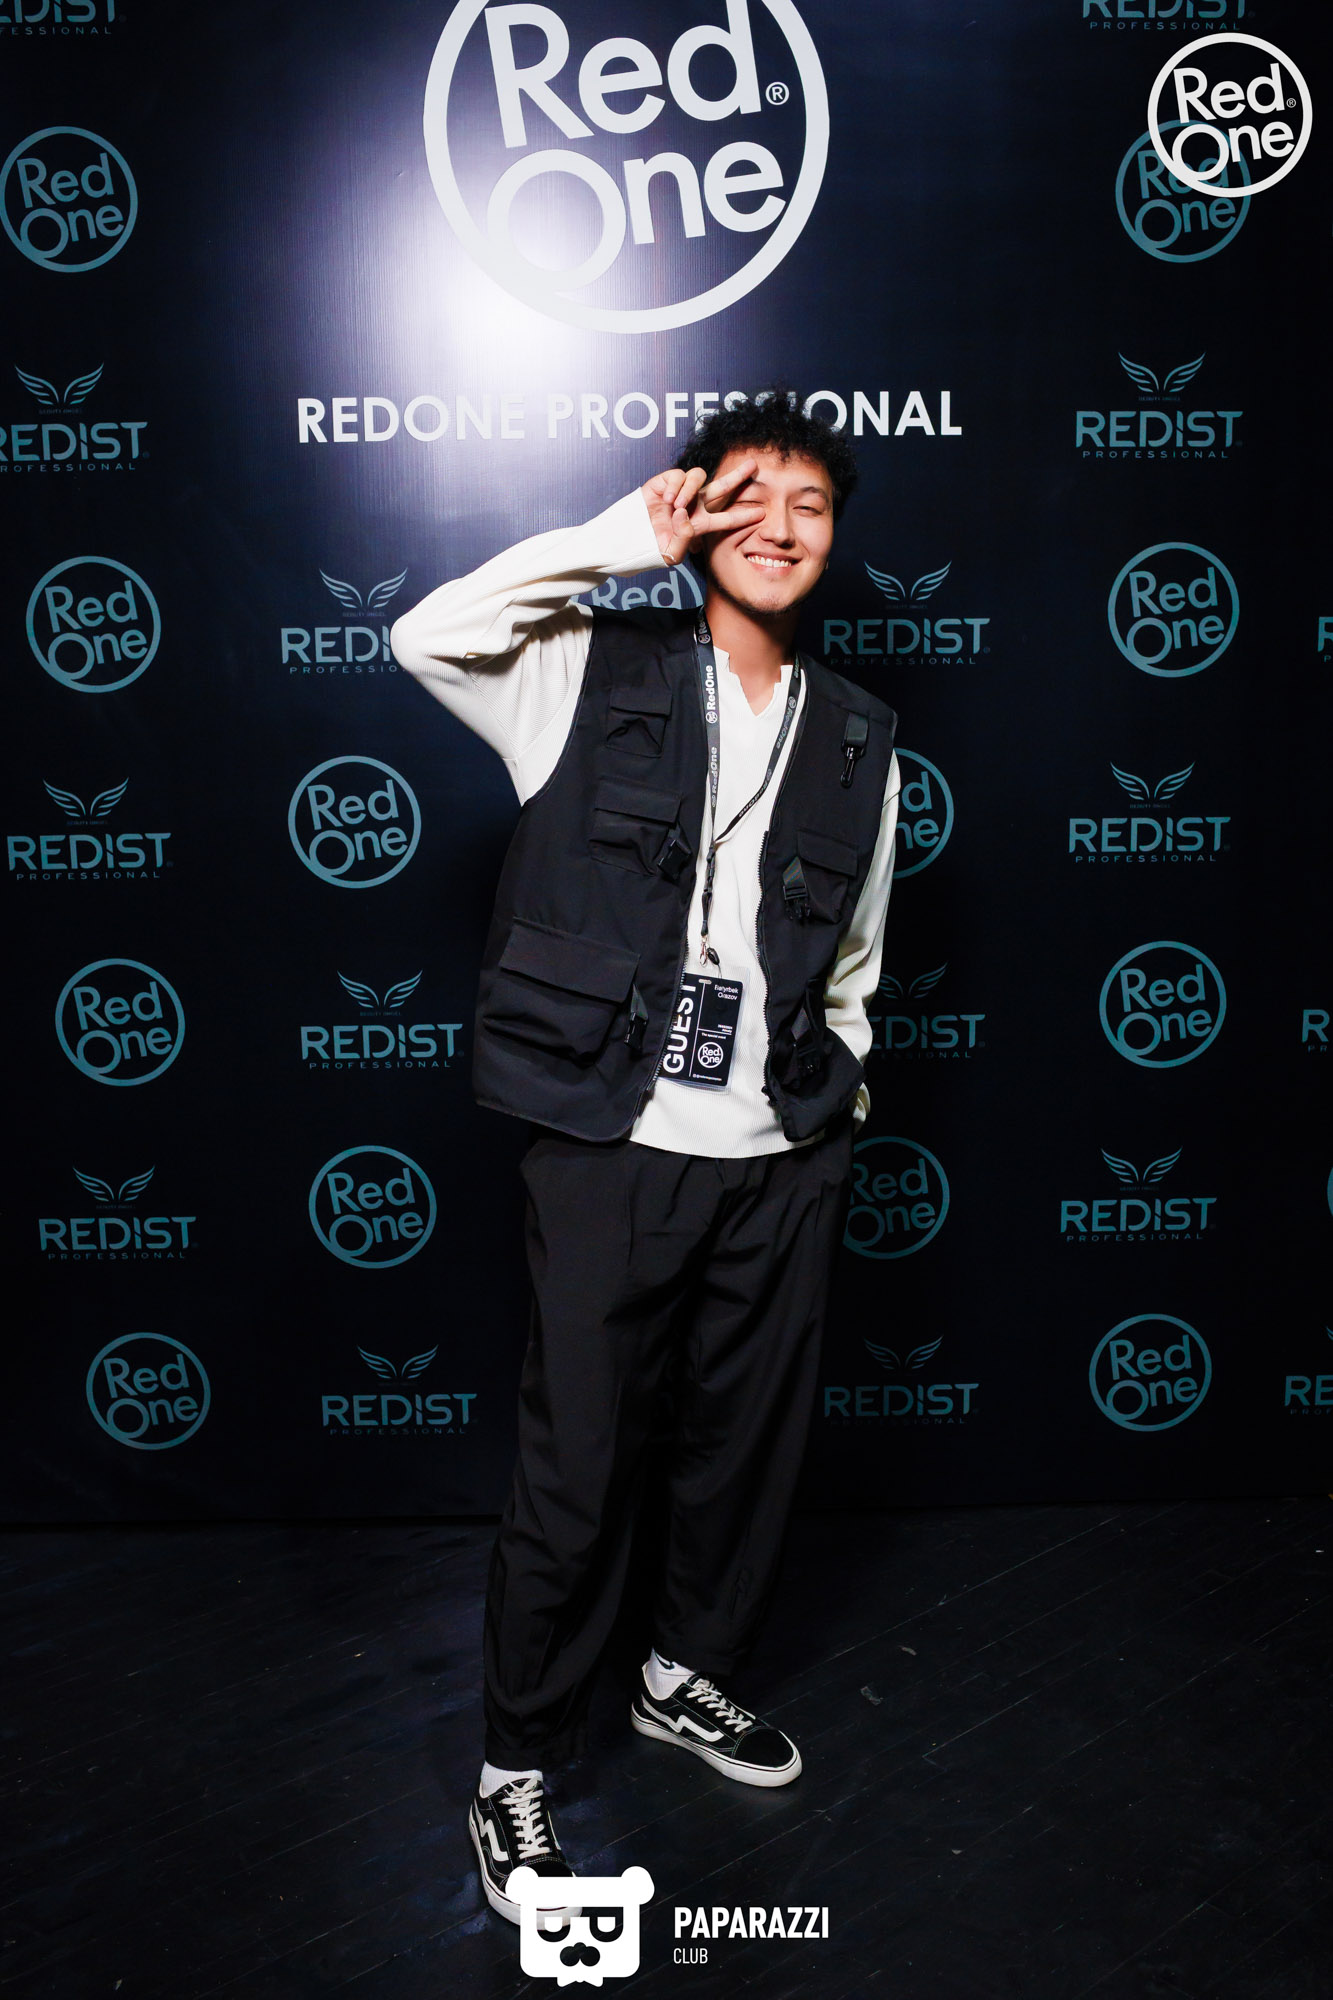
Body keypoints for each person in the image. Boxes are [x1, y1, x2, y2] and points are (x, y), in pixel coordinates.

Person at [389, 392, 901, 1926]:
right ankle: (516, 1769)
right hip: (611, 1149)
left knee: (742, 1451)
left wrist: (835, 1104)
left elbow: (856, 954)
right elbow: (424, 635)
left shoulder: (860, 733)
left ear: (833, 537)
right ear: (696, 507)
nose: (778, 526)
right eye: (748, 494)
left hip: (779, 1158)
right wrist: (616, 543)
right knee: (577, 1468)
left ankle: (684, 1674)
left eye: (809, 504)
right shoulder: (577, 668)